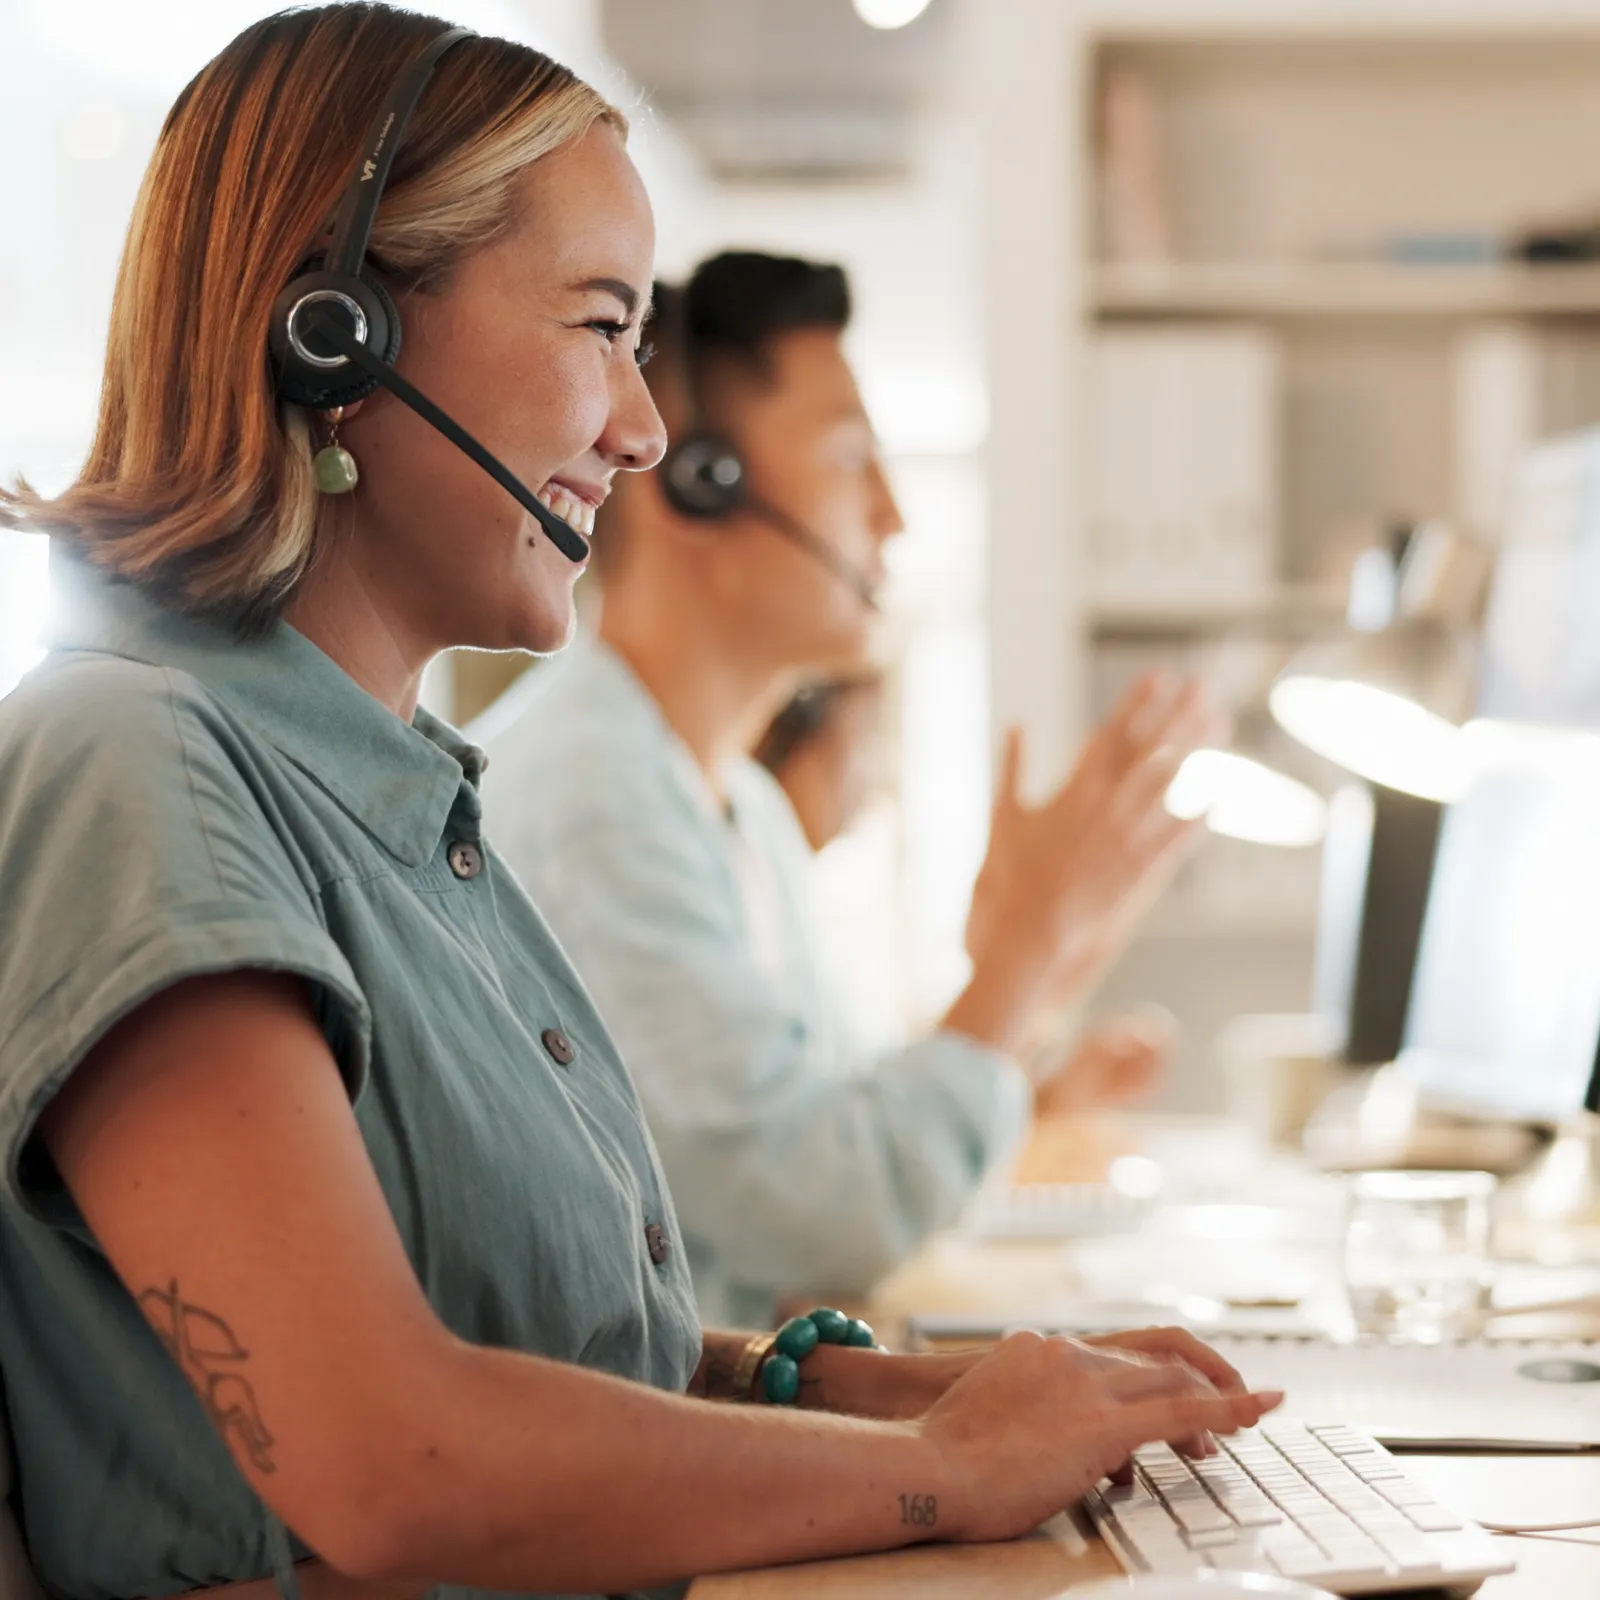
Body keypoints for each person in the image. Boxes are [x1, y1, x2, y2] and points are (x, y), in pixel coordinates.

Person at [0, 10, 1278, 1600]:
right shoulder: (137, 771)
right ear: (333, 333)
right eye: (601, 325)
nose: (647, 427)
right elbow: (398, 1462)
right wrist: (941, 1476)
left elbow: (534, 1344)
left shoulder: (392, 803)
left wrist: (835, 1386)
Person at [476, 254, 1222, 1328]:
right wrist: (1018, 959)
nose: (893, 516)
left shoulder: (735, 803)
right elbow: (828, 1208)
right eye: (850, 460)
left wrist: (1038, 973)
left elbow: (839, 1118)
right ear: (699, 480)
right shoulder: (597, 800)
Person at [754, 675, 1178, 1114]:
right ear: (788, 739)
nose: (872, 780)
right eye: (863, 742)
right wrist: (1029, 942)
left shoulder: (796, 917)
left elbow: (888, 1121)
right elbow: (874, 1149)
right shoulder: (751, 911)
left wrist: (1049, 1092)